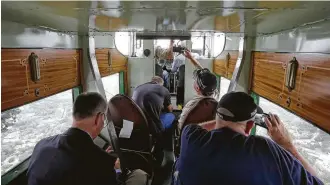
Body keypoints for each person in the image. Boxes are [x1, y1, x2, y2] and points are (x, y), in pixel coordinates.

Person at [172, 92, 323, 185]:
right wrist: (287, 144)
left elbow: (199, 127)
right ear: (250, 126)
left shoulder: (190, 136)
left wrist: (222, 118)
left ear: (216, 115)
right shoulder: (267, 150)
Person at [27, 92, 149, 185]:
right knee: (140, 175)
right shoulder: (101, 162)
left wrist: (100, 157)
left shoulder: (41, 145)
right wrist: (116, 169)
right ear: (99, 118)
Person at [177, 50, 217, 131]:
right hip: (208, 136)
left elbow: (181, 127)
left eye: (195, 80)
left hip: (190, 138)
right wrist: (191, 58)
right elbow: (203, 72)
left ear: (197, 88)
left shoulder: (192, 106)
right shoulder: (215, 97)